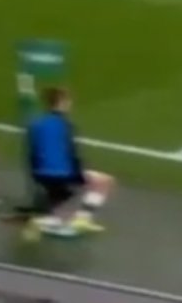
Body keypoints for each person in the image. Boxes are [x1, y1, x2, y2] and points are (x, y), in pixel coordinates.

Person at [22, 86, 116, 240]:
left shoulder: (37, 123)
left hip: (40, 173)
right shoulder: (65, 125)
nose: (70, 104)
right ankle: (78, 220)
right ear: (62, 102)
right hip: (63, 174)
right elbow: (71, 154)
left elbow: (32, 152)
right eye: (68, 101)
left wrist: (36, 174)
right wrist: (79, 176)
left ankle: (73, 219)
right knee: (104, 181)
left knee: (62, 209)